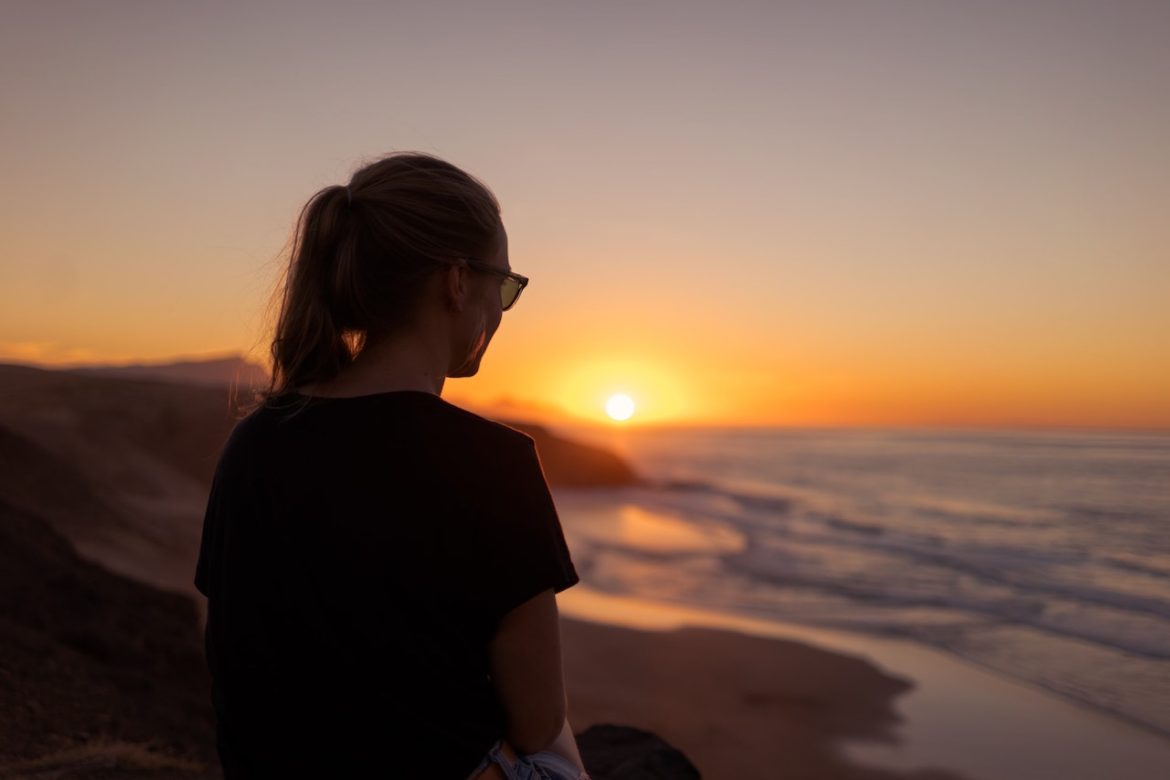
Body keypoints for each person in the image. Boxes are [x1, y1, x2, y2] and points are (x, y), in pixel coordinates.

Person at [194, 152, 589, 779]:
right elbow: (537, 723)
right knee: (559, 755)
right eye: (506, 287)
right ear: (457, 281)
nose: (502, 311)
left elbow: (231, 651)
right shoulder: (494, 463)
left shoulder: (255, 443)